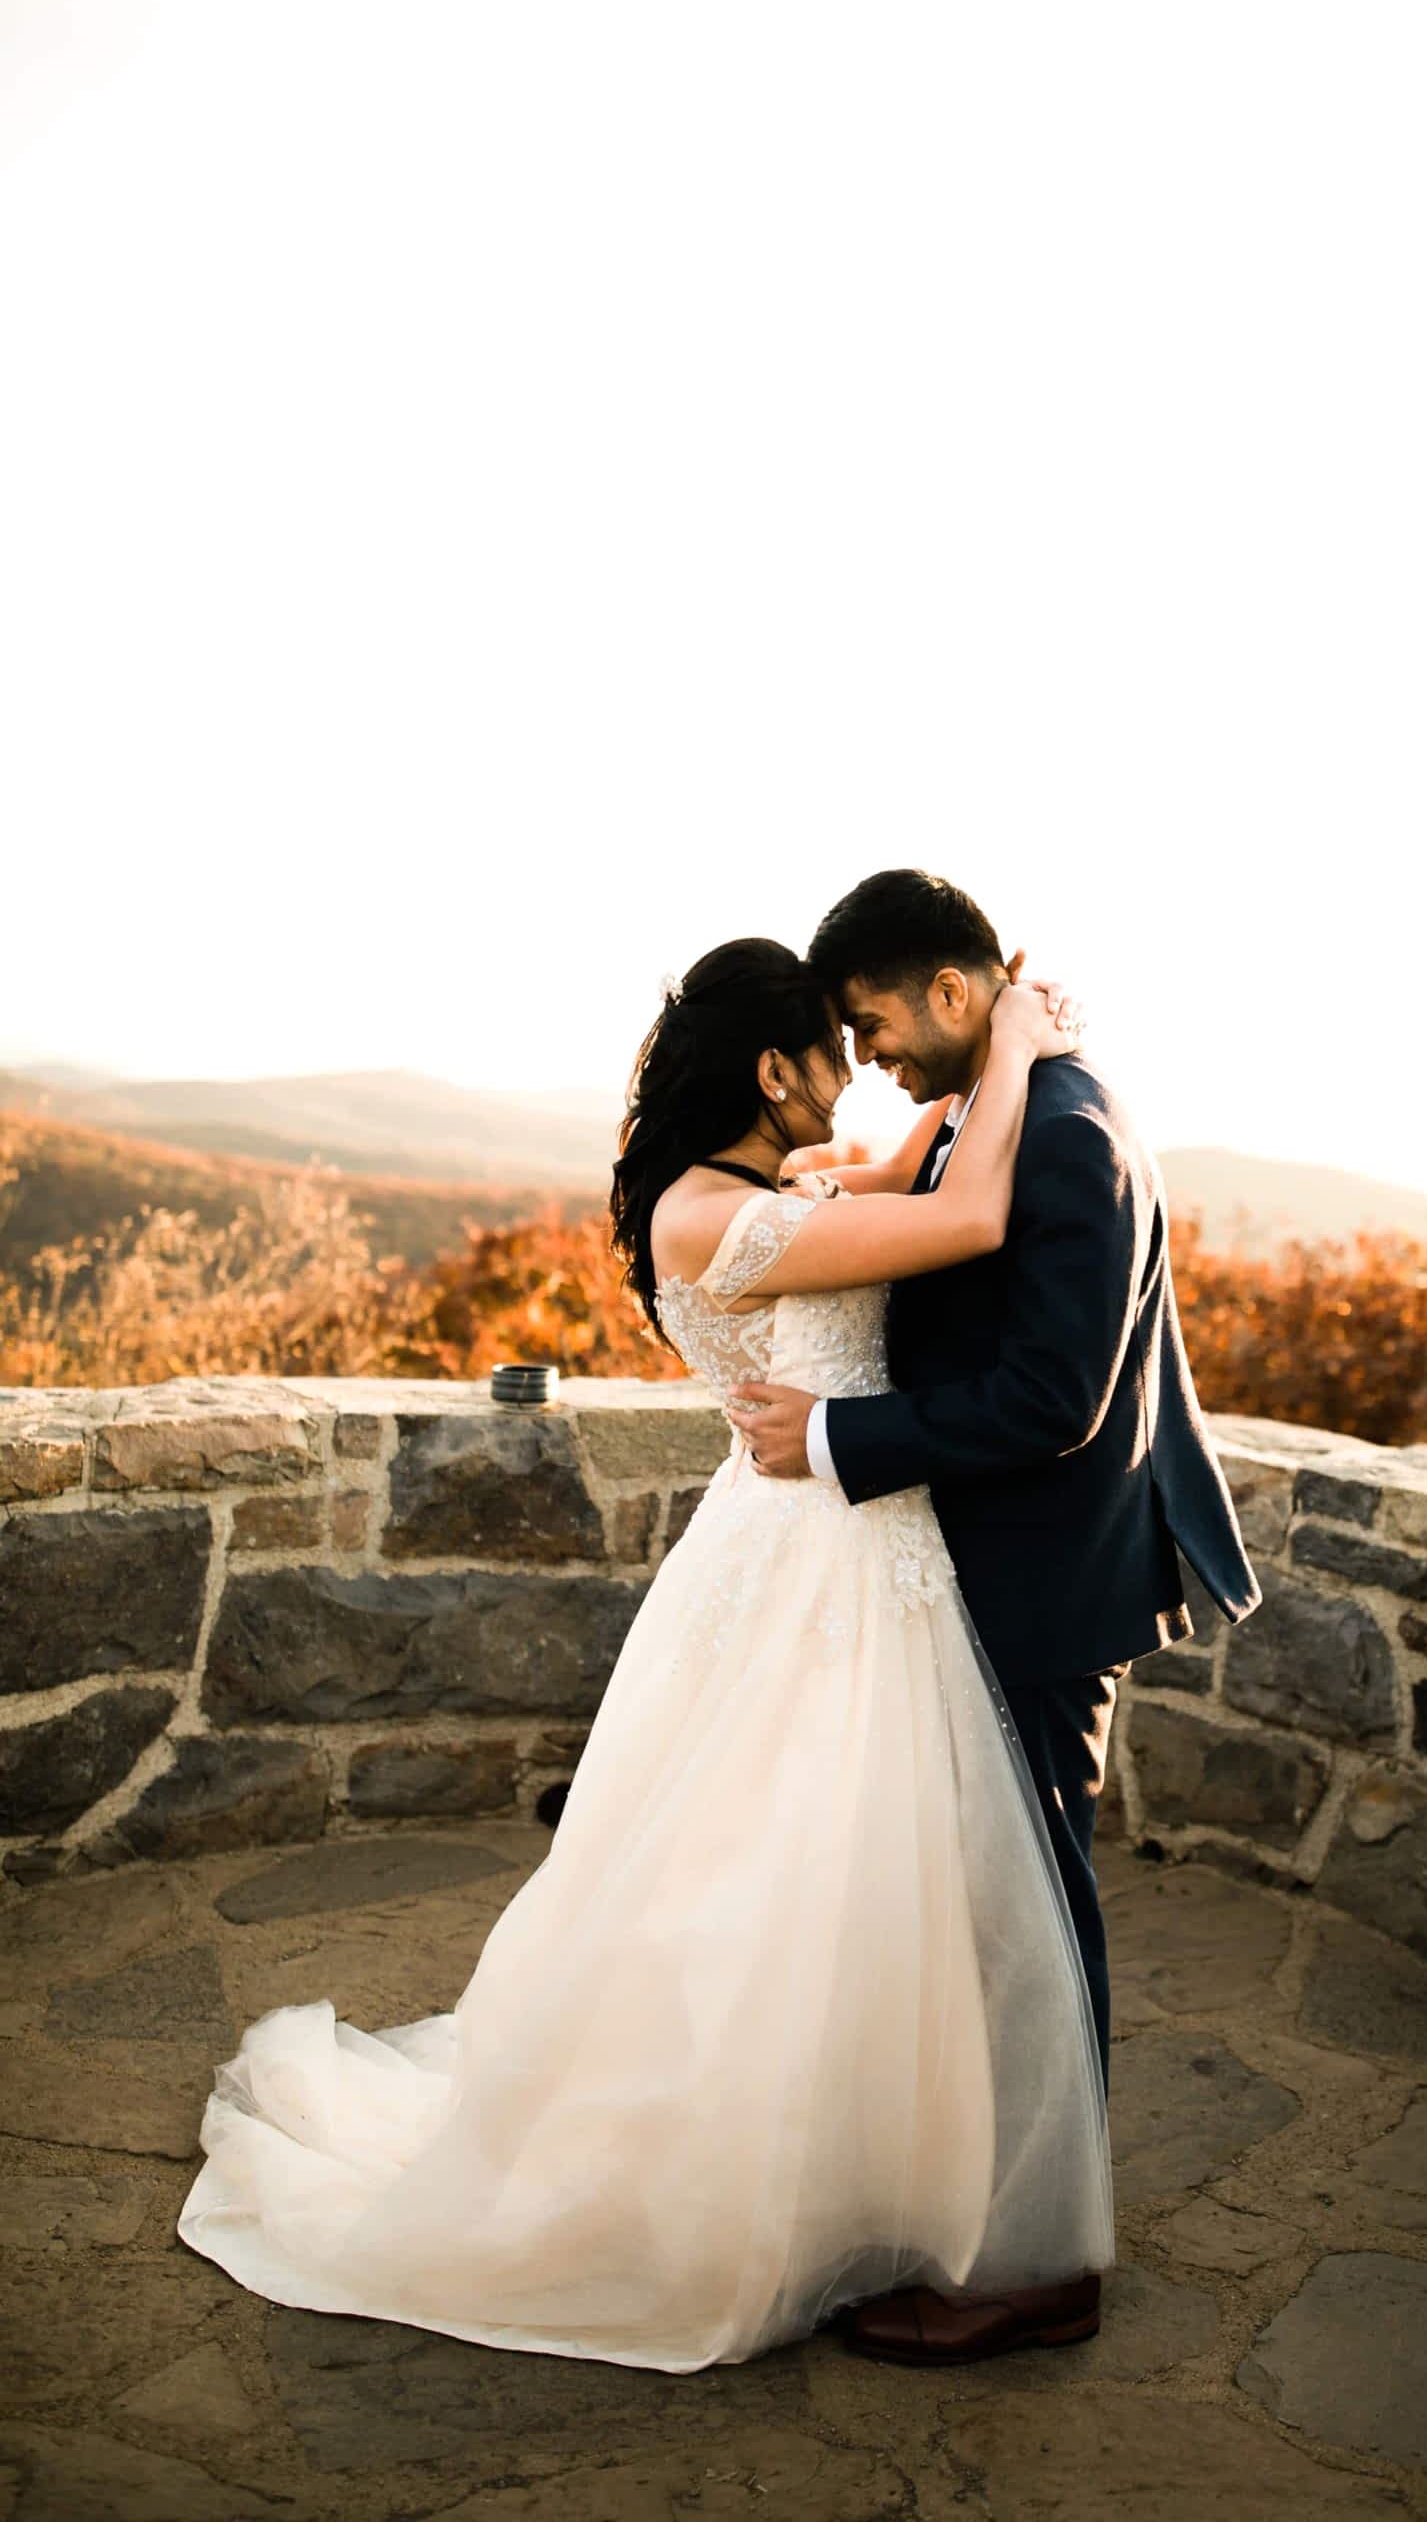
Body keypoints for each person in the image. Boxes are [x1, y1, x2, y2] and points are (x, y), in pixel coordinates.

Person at [175, 935, 1117, 2374]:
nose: (856, 1075)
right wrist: (1022, 1049)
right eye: (834, 1048)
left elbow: (919, 1153)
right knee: (764, 1872)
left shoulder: (773, 1188)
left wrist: (979, 1048)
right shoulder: (708, 1220)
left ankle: (867, 2168)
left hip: (842, 1538)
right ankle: (733, 2179)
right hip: (812, 1557)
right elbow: (977, 1207)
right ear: (770, 1069)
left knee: (852, 1874)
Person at [733, 870, 1262, 2366]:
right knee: (981, 1913)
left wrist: (833, 1444)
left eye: (876, 1019)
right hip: (986, 1567)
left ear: (955, 994)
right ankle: (979, 2206)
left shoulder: (1069, 1130)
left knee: (1026, 1919)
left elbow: (1054, 1395)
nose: (872, 1052)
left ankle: (1040, 2266)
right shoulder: (995, 1106)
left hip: (1041, 1577)